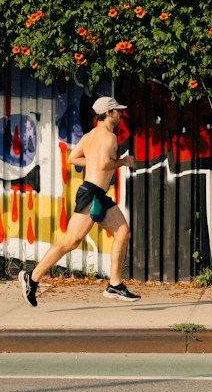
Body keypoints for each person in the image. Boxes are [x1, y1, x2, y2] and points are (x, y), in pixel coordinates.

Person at [20, 95, 140, 305]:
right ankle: (32, 277)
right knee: (70, 241)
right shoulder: (109, 137)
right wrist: (123, 161)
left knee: (122, 232)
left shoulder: (90, 136)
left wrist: (95, 161)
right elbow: (104, 165)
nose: (121, 114)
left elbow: (72, 158)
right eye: (118, 111)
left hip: (96, 194)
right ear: (109, 113)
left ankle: (115, 284)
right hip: (92, 194)